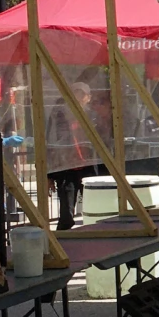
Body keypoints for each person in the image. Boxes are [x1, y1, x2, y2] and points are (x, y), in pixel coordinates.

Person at [47, 81, 99, 231]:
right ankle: (63, 241)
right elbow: (50, 143)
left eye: (82, 95)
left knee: (95, 209)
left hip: (89, 168)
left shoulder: (93, 117)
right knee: (66, 214)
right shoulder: (59, 116)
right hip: (67, 168)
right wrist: (49, 175)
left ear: (88, 98)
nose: (78, 98)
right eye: (75, 94)